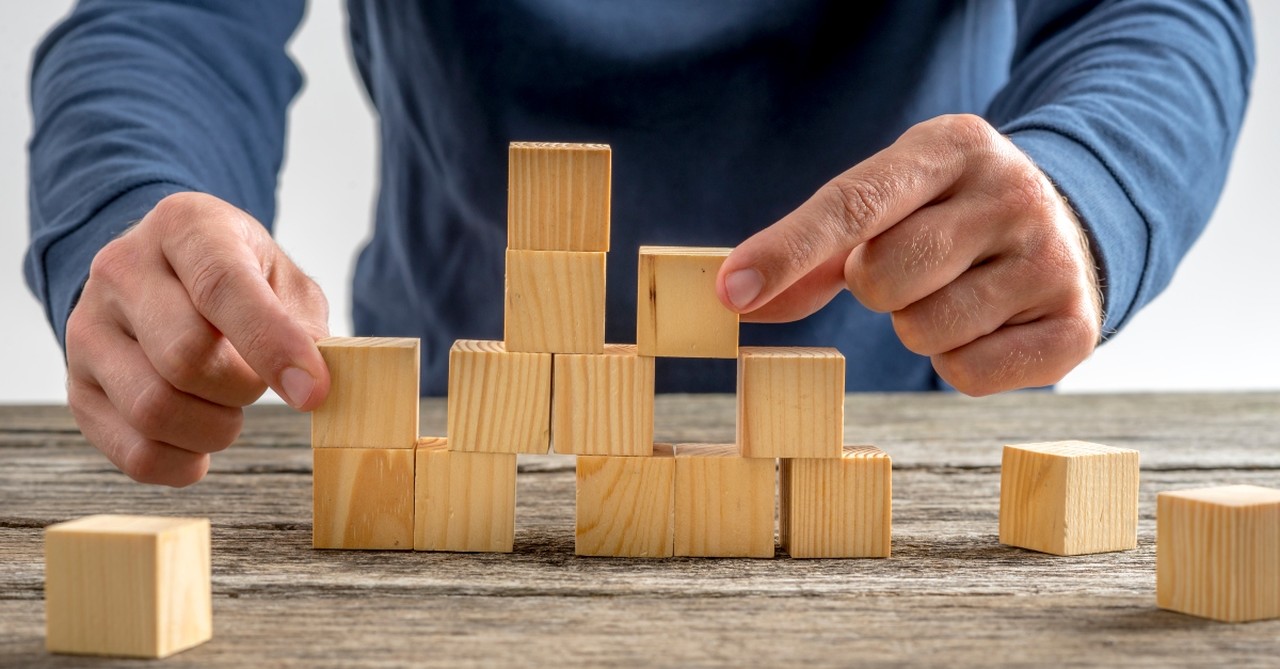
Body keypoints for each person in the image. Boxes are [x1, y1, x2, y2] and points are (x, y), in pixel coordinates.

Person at [25, 1, 1254, 486]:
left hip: (898, 419)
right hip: (462, 425)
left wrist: (1088, 185)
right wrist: (138, 210)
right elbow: (167, 20)